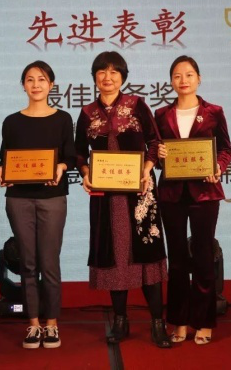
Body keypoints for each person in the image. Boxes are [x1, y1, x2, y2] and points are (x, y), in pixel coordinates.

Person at [75, 51, 171, 349]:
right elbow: (78, 153)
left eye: (114, 72)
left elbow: (155, 142)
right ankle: (120, 320)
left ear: (123, 77)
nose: (108, 77)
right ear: (94, 77)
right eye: (102, 72)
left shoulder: (137, 105)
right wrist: (86, 173)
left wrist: (146, 169)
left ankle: (158, 322)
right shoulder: (87, 112)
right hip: (106, 197)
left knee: (147, 254)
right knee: (114, 254)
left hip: (140, 191)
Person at [155, 55, 231, 345]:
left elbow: (226, 149)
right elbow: (155, 152)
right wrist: (159, 154)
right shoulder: (161, 114)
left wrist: (218, 167)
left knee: (202, 256)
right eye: (177, 75)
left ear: (199, 78)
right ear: (171, 81)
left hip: (205, 193)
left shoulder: (214, 111)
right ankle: (178, 320)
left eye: (189, 74)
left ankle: (203, 321)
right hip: (171, 195)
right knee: (176, 260)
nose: (183, 80)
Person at [0, 61, 76, 349]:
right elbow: (5, 157)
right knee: (27, 263)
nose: (36, 85)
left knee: (49, 262)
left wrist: (61, 167)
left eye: (41, 79)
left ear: (51, 84)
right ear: (23, 85)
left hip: (52, 198)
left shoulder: (63, 119)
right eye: (30, 80)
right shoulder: (11, 121)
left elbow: (70, 156)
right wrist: (2, 172)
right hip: (18, 198)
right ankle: (32, 324)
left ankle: (51, 323)